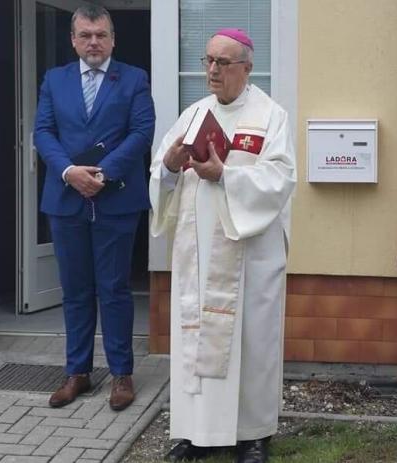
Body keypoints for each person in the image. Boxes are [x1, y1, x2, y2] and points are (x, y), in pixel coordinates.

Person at [150, 28, 295, 463]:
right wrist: (172, 168)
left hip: (250, 256)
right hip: (198, 255)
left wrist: (225, 175)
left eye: (223, 62)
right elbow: (162, 171)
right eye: (208, 60)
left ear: (246, 68)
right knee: (196, 339)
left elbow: (280, 178)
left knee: (251, 345)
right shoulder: (193, 114)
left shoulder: (271, 117)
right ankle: (196, 432)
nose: (212, 70)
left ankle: (252, 436)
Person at [34, 5, 155, 411]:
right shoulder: (55, 80)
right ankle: (78, 373)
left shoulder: (134, 79)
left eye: (100, 35)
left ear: (113, 38)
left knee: (115, 289)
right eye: (85, 35)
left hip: (116, 198)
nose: (93, 42)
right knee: (76, 291)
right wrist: (70, 171)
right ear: (73, 39)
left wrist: (101, 174)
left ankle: (121, 374)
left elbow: (141, 132)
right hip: (65, 199)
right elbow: (43, 131)